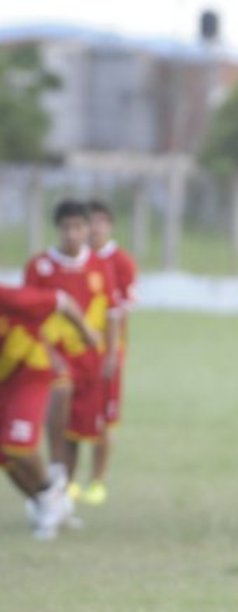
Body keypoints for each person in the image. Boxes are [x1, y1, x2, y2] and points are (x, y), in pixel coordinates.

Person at [24, 200, 121, 505]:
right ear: (58, 229)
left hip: (89, 361)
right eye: (67, 227)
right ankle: (50, 487)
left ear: (86, 228)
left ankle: (62, 491)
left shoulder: (99, 266)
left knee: (79, 431)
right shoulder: (39, 267)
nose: (73, 234)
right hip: (51, 359)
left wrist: (111, 353)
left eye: (79, 227)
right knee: (56, 424)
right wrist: (46, 352)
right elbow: (27, 316)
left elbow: (113, 312)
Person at [0, 284, 97, 539]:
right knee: (4, 455)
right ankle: (48, 501)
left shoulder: (11, 298)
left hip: (29, 372)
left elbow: (62, 300)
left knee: (17, 445)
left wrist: (86, 332)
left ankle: (50, 494)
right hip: (4, 379)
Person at [85, 199, 137, 505]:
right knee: (68, 418)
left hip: (108, 353)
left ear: (110, 225)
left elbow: (122, 312)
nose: (95, 227)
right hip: (75, 353)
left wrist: (113, 351)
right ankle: (65, 481)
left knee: (105, 419)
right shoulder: (76, 261)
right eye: (90, 221)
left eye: (101, 221)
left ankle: (97, 481)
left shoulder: (121, 262)